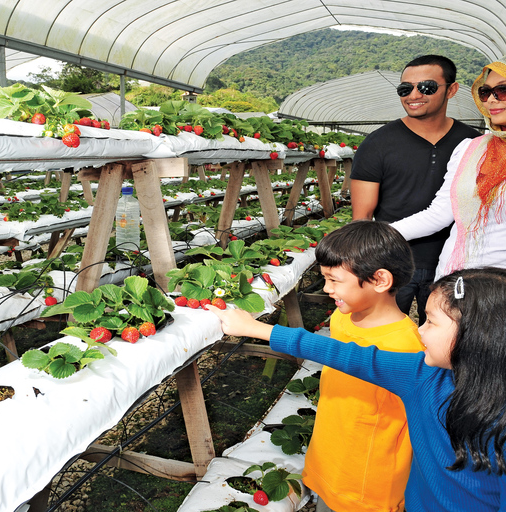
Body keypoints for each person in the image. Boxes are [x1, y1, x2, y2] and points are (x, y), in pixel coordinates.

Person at [207, 267, 506, 512]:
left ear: (477, 337)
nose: (421, 329)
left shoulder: (442, 388)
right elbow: (346, 355)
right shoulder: (421, 374)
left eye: (431, 322)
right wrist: (254, 329)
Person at [231, 221, 424, 511]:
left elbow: (338, 354)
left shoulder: (405, 347)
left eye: (334, 280)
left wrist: (258, 329)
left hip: (368, 481)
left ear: (380, 280)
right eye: (324, 278)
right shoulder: (343, 317)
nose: (326, 288)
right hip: (331, 453)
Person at [350, 54, 481, 324]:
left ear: (452, 90)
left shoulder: (473, 143)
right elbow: (361, 217)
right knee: (382, 337)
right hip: (391, 263)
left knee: (448, 341)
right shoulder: (377, 144)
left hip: (455, 264)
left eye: (427, 87)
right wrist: (361, 267)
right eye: (405, 89)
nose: (414, 95)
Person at [391, 57, 506, 280]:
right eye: (485, 92)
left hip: (498, 286)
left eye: (502, 91)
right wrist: (377, 234)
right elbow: (440, 213)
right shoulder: (471, 148)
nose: (491, 100)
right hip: (453, 277)